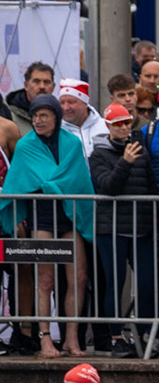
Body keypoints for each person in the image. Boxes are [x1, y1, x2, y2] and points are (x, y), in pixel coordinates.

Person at [1, 94, 94, 357]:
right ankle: (45, 339)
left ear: (56, 117)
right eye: (35, 115)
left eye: (44, 115)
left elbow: (78, 179)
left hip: (69, 216)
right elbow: (19, 182)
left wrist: (50, 185)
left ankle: (71, 339)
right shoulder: (26, 145)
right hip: (41, 217)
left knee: (78, 277)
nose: (38, 120)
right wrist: (53, 185)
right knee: (45, 280)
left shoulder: (72, 143)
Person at [87, 104, 159, 359]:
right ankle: (116, 338)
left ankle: (143, 336)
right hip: (111, 229)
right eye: (117, 123)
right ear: (108, 126)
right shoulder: (99, 154)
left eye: (126, 122)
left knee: (147, 284)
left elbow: (151, 187)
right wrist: (125, 162)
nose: (123, 127)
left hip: (141, 227)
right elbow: (108, 186)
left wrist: (155, 220)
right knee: (115, 283)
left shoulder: (141, 150)